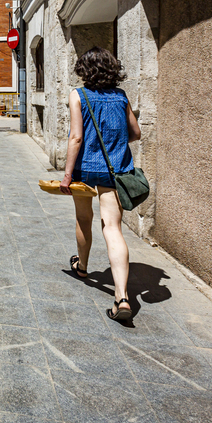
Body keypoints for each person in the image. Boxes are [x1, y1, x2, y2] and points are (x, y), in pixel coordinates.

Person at [60, 47, 142, 322]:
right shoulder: (121, 97)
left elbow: (76, 138)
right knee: (113, 228)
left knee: (84, 219)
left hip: (85, 170)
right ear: (112, 69)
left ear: (83, 70)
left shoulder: (78, 95)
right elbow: (136, 133)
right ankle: (122, 297)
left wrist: (67, 175)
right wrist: (114, 145)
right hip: (114, 171)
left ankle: (82, 267)